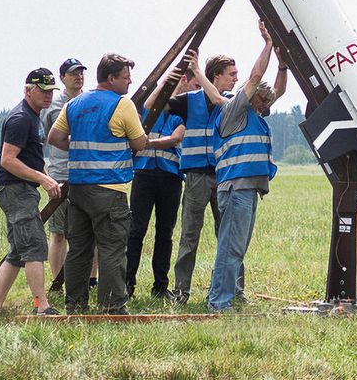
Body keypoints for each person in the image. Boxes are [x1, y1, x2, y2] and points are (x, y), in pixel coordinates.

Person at [47, 53, 149, 315]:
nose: (129, 82)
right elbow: (140, 143)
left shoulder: (74, 104)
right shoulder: (123, 105)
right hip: (109, 188)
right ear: (111, 78)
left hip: (78, 189)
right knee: (112, 249)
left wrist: (81, 148)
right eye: (125, 77)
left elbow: (55, 138)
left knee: (78, 249)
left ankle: (75, 305)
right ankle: (112, 307)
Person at [201, 20, 287, 312]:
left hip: (248, 189)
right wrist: (268, 44)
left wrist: (283, 66)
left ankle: (229, 296)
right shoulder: (235, 110)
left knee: (236, 248)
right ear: (252, 97)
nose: (267, 103)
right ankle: (219, 302)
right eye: (263, 98)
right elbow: (256, 76)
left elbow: (278, 89)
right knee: (230, 247)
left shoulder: (255, 114)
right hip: (236, 188)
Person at [150, 47, 239, 305]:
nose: (236, 79)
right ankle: (181, 291)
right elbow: (151, 106)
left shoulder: (231, 101)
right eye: (231, 74)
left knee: (229, 235)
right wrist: (167, 82)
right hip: (196, 176)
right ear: (216, 76)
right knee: (189, 236)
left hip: (224, 176)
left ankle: (233, 290)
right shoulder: (189, 101)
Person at [0, 68, 62, 317]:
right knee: (35, 247)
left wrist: (47, 178)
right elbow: (8, 160)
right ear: (28, 90)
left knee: (18, 252)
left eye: (51, 91)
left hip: (20, 189)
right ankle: (42, 306)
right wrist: (43, 178)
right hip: (15, 189)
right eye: (43, 90)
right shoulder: (20, 118)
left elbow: (32, 157)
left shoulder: (34, 116)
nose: (48, 95)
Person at [125, 70, 189, 299]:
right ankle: (127, 284)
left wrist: (147, 143)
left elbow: (176, 138)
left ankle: (160, 287)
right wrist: (165, 81)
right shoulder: (147, 112)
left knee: (165, 233)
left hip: (170, 178)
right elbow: (149, 104)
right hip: (143, 175)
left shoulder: (181, 115)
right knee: (136, 231)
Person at [40, 58, 87, 281]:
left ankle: (89, 280)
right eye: (73, 73)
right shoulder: (52, 106)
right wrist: (45, 176)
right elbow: (41, 141)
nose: (79, 77)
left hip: (86, 174)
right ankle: (57, 281)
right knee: (58, 232)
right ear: (62, 78)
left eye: (81, 73)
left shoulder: (90, 101)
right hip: (59, 174)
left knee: (87, 233)